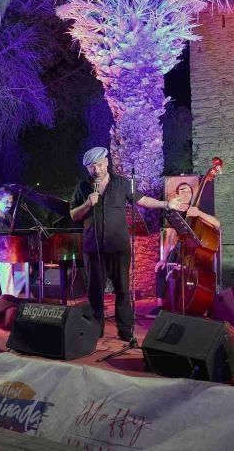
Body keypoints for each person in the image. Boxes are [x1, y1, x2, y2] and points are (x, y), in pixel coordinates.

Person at [70, 147, 175, 342]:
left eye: (99, 165)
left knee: (123, 290)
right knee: (95, 291)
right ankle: (96, 330)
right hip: (93, 248)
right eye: (92, 167)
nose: (97, 170)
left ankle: (125, 331)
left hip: (119, 246)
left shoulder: (121, 183)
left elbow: (142, 200)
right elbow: (73, 215)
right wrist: (87, 204)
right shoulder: (83, 187)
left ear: (107, 162)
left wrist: (166, 204)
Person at [147, 181, 220, 318]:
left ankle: (190, 305)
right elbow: (169, 236)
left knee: (187, 275)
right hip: (180, 249)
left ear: (192, 194)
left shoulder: (198, 210)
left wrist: (199, 213)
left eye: (188, 191)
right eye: (182, 190)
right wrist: (163, 259)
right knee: (161, 269)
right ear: (177, 194)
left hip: (194, 254)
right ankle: (161, 306)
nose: (185, 193)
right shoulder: (174, 212)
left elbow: (217, 224)